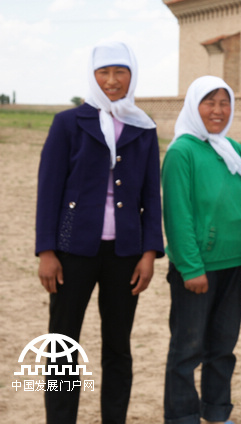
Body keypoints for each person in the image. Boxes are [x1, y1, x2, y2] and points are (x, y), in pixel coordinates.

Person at [35, 41, 163, 424]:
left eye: (120, 72)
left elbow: (150, 196)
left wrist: (149, 252)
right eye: (104, 72)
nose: (112, 80)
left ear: (131, 76)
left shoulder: (143, 127)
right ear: (92, 76)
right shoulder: (69, 123)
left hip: (125, 252)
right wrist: (46, 250)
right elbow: (49, 188)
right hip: (71, 249)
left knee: (118, 347)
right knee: (62, 343)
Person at [162, 76, 241, 424]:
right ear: (193, 106)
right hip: (197, 269)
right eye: (209, 102)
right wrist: (190, 267)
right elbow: (177, 215)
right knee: (187, 350)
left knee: (223, 349)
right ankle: (182, 417)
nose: (218, 110)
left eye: (224, 102)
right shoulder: (182, 151)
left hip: (233, 265)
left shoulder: (232, 149)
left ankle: (216, 413)